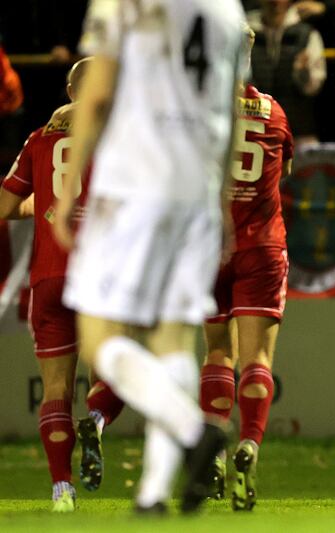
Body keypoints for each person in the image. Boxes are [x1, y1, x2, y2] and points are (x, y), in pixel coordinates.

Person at [52, 0, 246, 514]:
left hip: (134, 181)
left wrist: (71, 185)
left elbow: (97, 89)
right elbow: (230, 108)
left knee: (98, 339)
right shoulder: (227, 10)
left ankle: (194, 432)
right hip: (198, 188)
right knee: (173, 340)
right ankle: (154, 493)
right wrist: (221, 198)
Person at [0, 58, 125, 512]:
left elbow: (5, 205)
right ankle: (94, 418)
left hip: (50, 276)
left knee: (55, 389)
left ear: (71, 91)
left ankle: (61, 491)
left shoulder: (40, 137)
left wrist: (41, 207)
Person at [200, 25, 294, 511]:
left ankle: (214, 448)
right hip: (261, 246)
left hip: (207, 248)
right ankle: (249, 444)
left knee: (218, 353)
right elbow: (286, 171)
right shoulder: (274, 111)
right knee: (257, 358)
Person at [248, 0, 326, 146]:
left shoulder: (306, 34)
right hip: (256, 132)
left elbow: (313, 87)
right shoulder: (245, 32)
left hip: (299, 131)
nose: (275, 2)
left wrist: (303, 73)